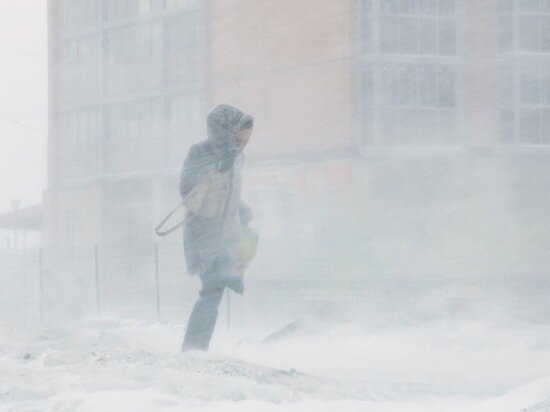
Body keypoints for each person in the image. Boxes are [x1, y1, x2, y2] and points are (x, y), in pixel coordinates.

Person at [179, 104, 254, 351]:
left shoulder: (237, 157)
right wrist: (216, 166)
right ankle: (193, 349)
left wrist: (242, 211)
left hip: (227, 235)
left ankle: (196, 348)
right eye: (238, 139)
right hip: (203, 235)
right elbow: (188, 191)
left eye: (245, 141)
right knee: (211, 291)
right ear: (224, 133)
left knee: (214, 292)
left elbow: (231, 195)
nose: (241, 145)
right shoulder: (200, 152)